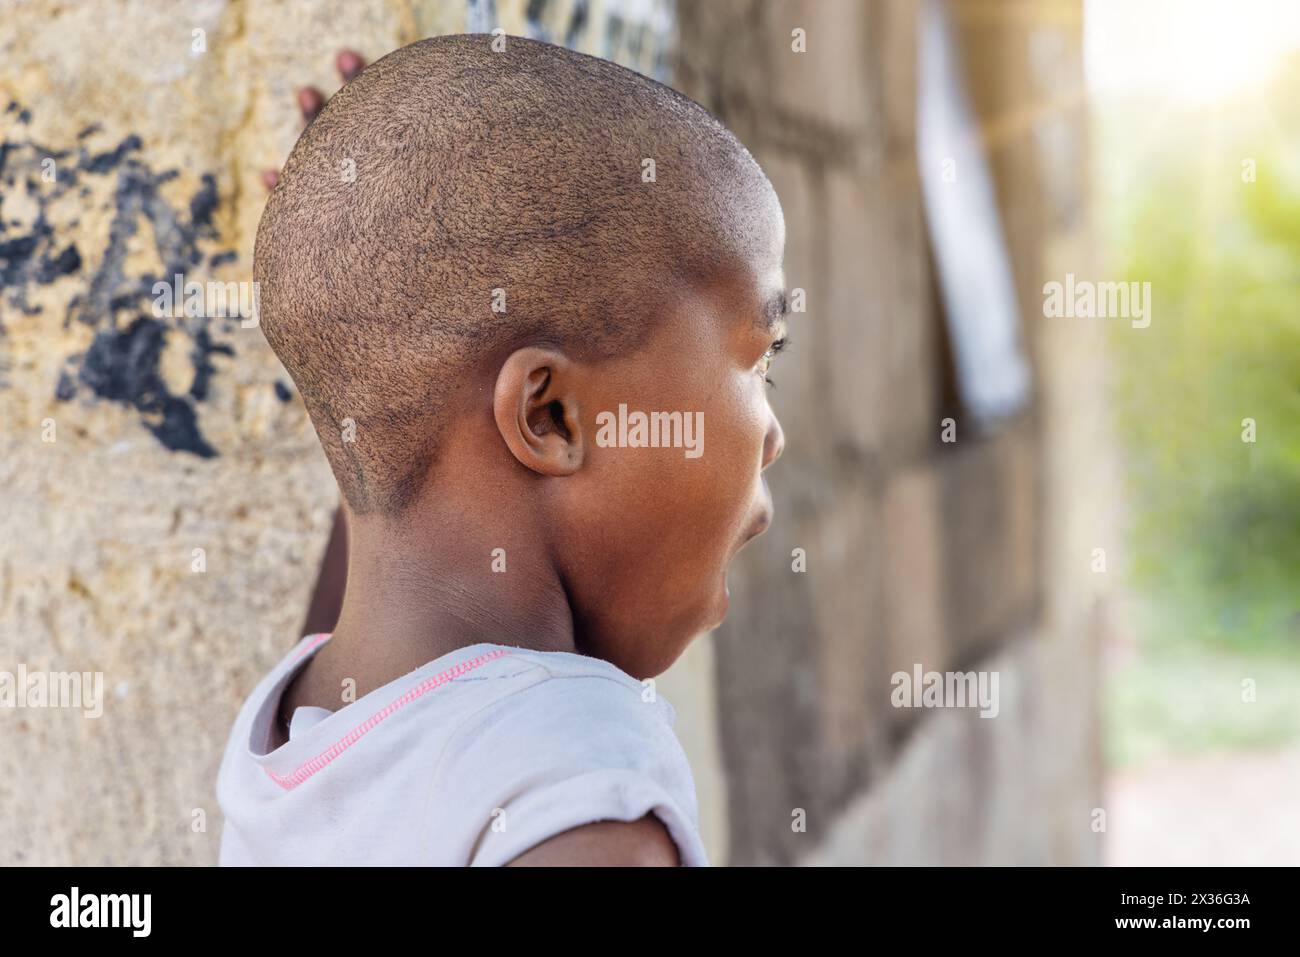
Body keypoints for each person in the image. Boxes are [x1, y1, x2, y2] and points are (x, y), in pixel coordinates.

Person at [217, 33, 788, 866]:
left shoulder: (304, 724)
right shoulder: (577, 801)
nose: (774, 434)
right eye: (764, 358)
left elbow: (404, 484)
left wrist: (377, 266)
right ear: (550, 416)